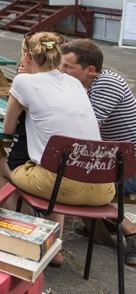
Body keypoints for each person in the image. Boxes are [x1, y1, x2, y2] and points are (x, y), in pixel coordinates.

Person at [0, 32, 113, 268]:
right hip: (103, 187)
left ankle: (29, 240)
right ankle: (54, 245)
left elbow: (8, 129)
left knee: (3, 164)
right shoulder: (74, 83)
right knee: (55, 170)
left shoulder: (23, 81)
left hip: (59, 184)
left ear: (27, 57)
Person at [60, 39, 136, 261]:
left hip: (130, 168)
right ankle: (103, 222)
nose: (62, 71)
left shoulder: (107, 84)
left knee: (71, 181)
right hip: (115, 161)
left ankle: (129, 228)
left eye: (68, 67)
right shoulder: (90, 85)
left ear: (90, 70)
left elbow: (85, 129)